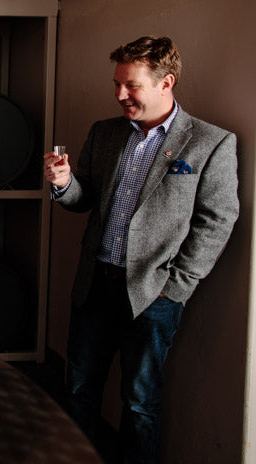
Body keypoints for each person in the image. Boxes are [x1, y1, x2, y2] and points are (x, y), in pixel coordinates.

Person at [43, 35, 239, 463]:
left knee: (139, 402)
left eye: (131, 85)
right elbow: (83, 199)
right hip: (95, 285)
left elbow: (217, 220)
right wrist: (64, 183)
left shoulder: (209, 142)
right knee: (78, 389)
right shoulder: (105, 133)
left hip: (154, 295)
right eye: (117, 84)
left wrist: (176, 286)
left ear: (166, 82)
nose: (120, 94)